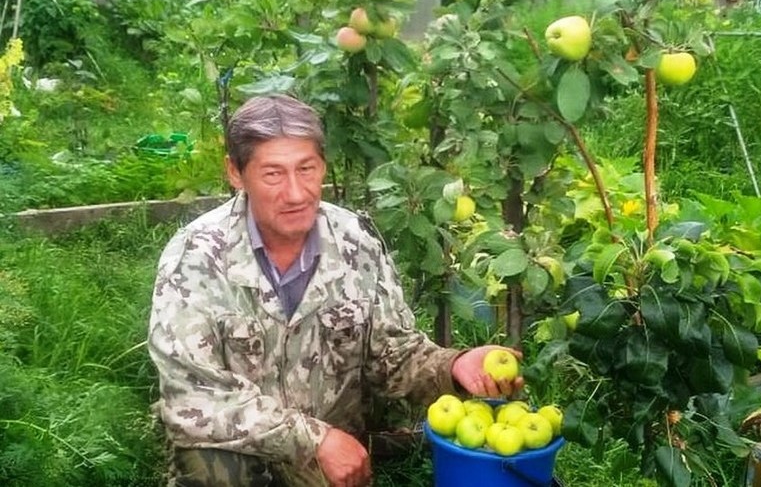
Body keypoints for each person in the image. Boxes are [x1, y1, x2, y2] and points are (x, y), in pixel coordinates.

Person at [147, 93, 524, 487]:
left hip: (332, 461)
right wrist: (314, 438)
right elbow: (195, 397)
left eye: (306, 169)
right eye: (273, 174)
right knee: (210, 467)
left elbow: (392, 355)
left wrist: (453, 366)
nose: (296, 193)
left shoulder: (355, 243)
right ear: (236, 174)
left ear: (323, 165)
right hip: (249, 449)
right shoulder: (196, 257)